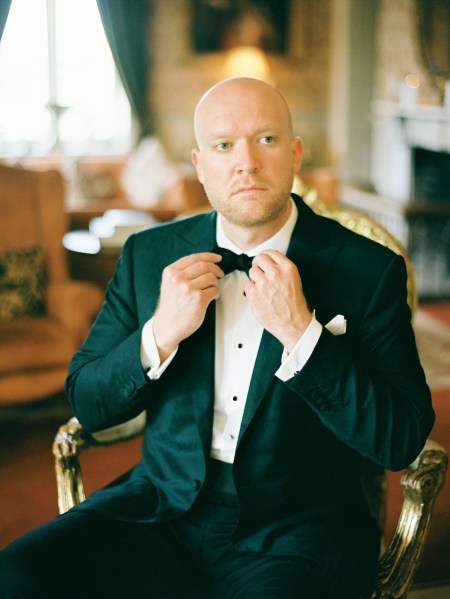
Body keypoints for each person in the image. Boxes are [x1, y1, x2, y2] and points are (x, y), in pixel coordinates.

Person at [0, 77, 434, 598]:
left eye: (266, 139)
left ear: (295, 153)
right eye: (224, 145)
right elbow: (89, 402)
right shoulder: (147, 255)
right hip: (159, 505)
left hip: (298, 528)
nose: (246, 161)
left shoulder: (369, 270)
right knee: (18, 575)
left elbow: (401, 439)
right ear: (200, 165)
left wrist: (303, 336)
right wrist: (160, 332)